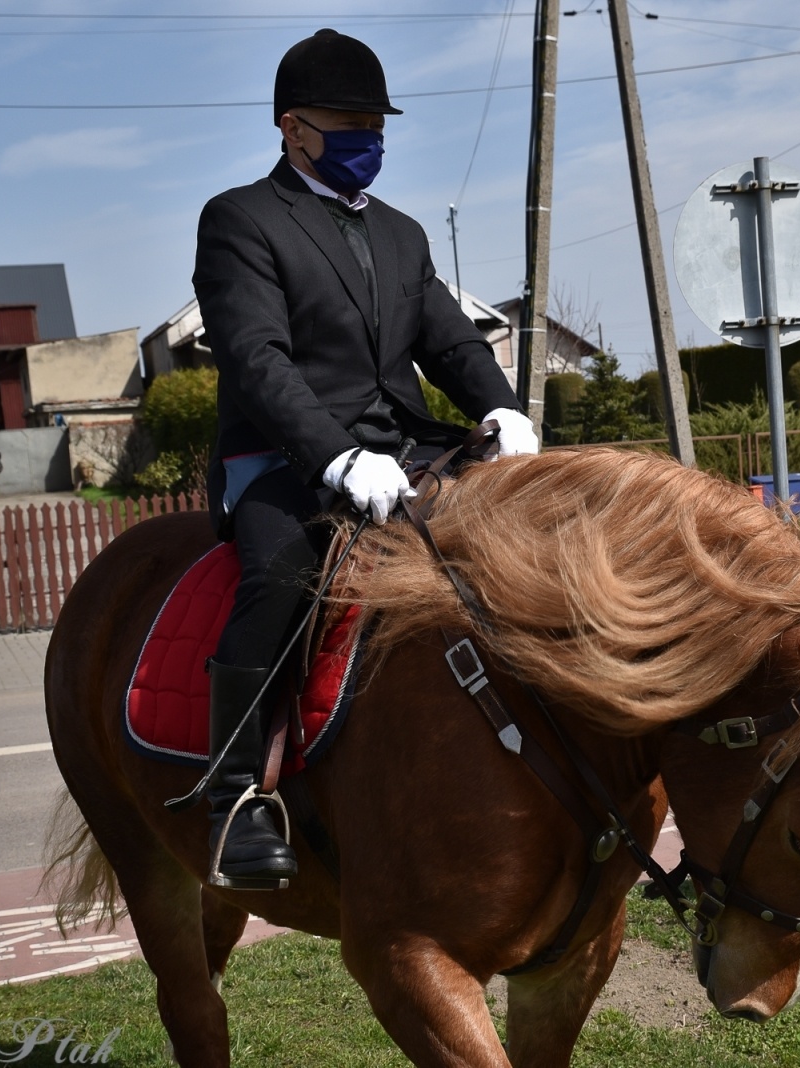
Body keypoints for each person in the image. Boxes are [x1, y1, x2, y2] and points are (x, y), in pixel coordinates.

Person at [192, 29, 538, 888]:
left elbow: (450, 343)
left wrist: (500, 406)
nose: (365, 136)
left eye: (374, 121)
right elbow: (257, 359)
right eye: (345, 120)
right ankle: (232, 795)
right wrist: (335, 457)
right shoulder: (240, 219)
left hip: (409, 449)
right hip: (284, 458)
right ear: (292, 128)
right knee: (280, 576)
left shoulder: (403, 232)